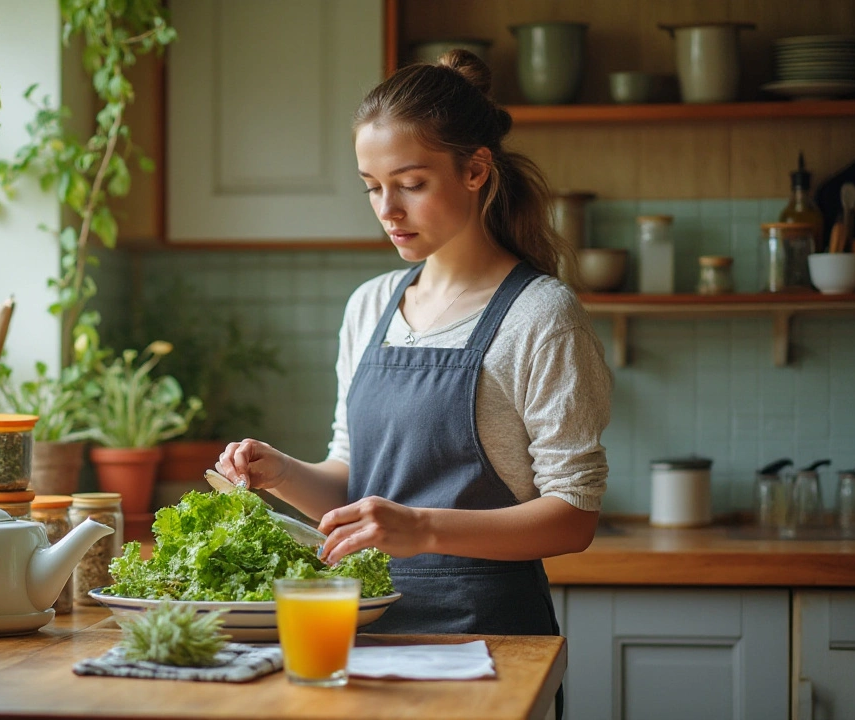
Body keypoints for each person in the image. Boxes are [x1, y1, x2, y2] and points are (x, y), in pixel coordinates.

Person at [215, 49, 611, 657]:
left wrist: (421, 528)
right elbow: (352, 476)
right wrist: (282, 473)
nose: (387, 210)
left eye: (411, 184)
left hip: (491, 639)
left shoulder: (541, 315)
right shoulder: (369, 305)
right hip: (365, 629)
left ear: (476, 170)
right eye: (372, 187)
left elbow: (573, 516)